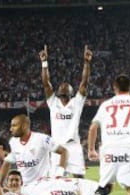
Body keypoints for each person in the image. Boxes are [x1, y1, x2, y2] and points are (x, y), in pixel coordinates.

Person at [39, 45, 93, 178]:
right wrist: (44, 63)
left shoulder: (76, 102)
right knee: (56, 180)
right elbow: (46, 83)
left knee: (79, 178)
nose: (63, 96)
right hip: (57, 146)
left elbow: (84, 83)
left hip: (73, 145)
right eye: (62, 94)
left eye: (65, 94)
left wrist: (86, 63)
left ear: (70, 94)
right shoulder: (53, 102)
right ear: (58, 94)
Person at [0, 114, 68, 186]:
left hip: (42, 186)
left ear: (24, 126)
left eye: (14, 125)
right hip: (24, 187)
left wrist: (60, 173)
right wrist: (0, 183)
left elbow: (64, 151)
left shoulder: (42, 139)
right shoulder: (13, 142)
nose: (10, 129)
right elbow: (6, 163)